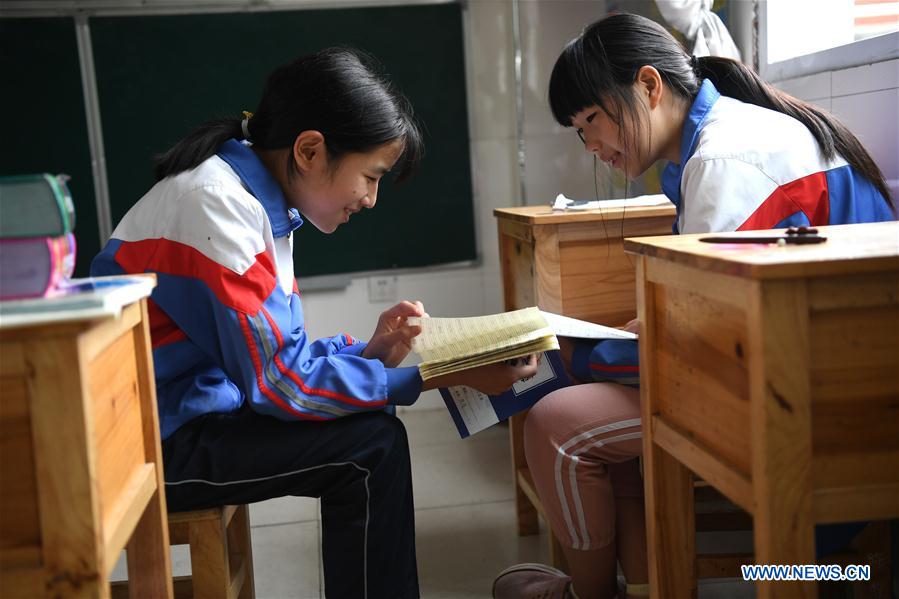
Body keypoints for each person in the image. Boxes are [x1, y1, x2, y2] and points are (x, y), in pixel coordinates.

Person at [91, 48, 538, 599]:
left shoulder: (256, 202)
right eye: (370, 178)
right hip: (144, 449)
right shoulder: (217, 207)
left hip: (186, 417)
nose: (370, 200)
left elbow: (279, 356)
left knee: (374, 440)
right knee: (371, 449)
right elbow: (280, 383)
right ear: (309, 150)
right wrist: (439, 376)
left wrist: (369, 353)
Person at [495, 12, 894, 599]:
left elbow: (705, 347)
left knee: (555, 420)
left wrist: (567, 358)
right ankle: (647, 583)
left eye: (592, 120)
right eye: (579, 131)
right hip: (816, 378)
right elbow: (707, 323)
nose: (592, 146)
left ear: (649, 87)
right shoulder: (718, 142)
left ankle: (590, 593)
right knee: (569, 386)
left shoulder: (723, 160)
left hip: (820, 409)